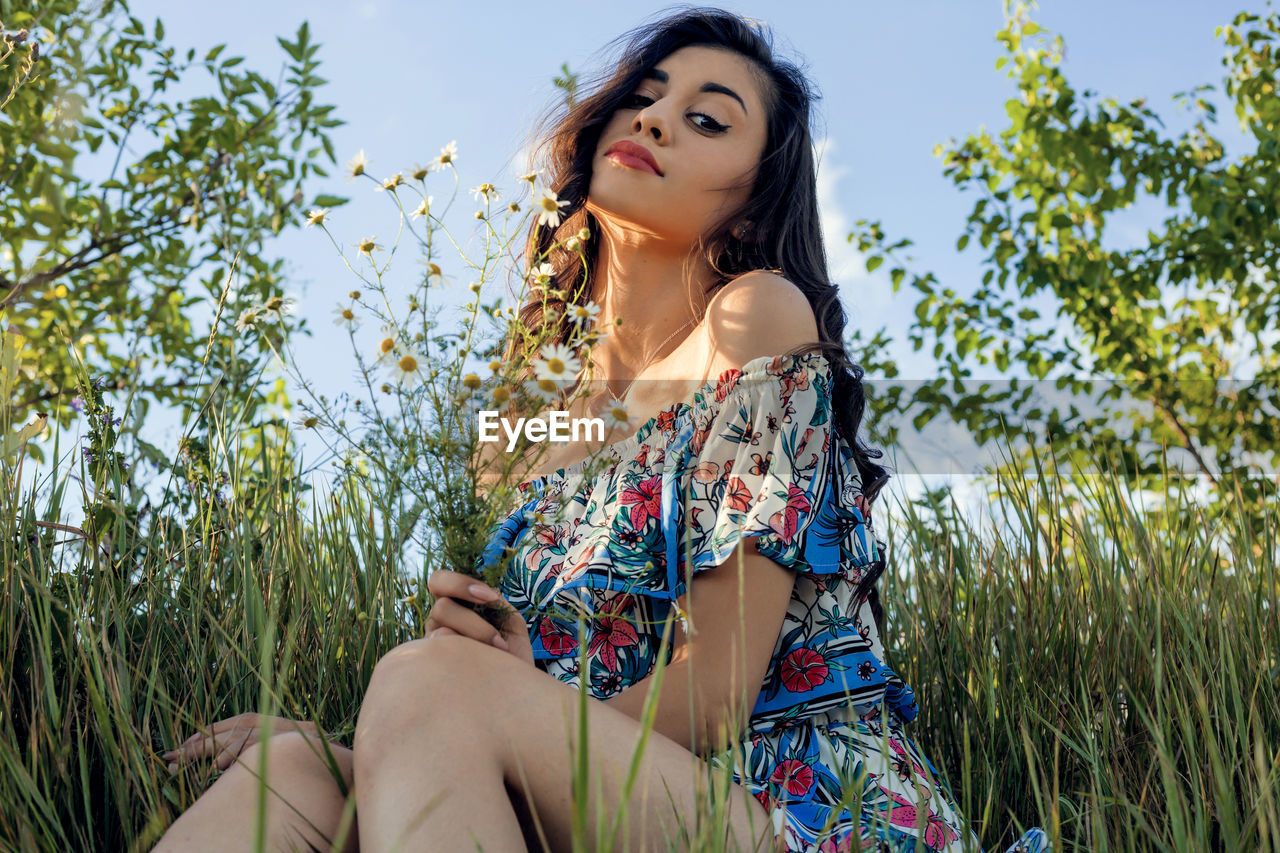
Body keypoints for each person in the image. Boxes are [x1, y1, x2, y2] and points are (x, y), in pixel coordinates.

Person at [154, 8, 1051, 852]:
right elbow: (502, 719)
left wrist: (454, 705)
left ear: (751, 201)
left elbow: (715, 695)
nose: (657, 119)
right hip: (596, 801)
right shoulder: (518, 423)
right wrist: (425, 720)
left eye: (708, 121)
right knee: (292, 771)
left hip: (801, 807)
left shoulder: (754, 319)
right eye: (646, 94)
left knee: (425, 684)